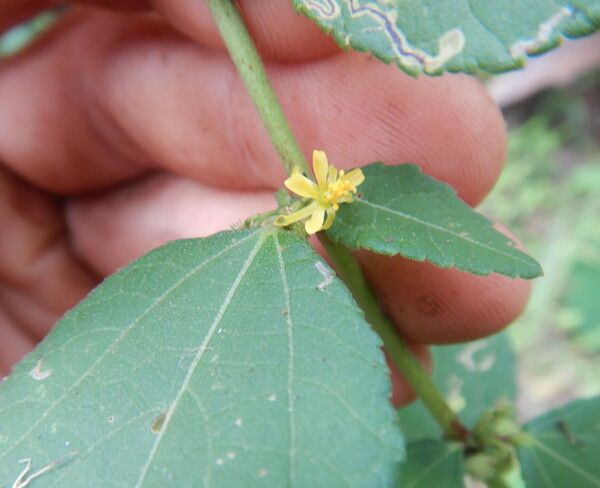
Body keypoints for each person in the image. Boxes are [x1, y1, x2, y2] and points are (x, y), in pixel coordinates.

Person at [0, 0, 531, 404]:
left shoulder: (325, 201)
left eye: (332, 189)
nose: (332, 189)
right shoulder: (308, 201)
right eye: (329, 189)